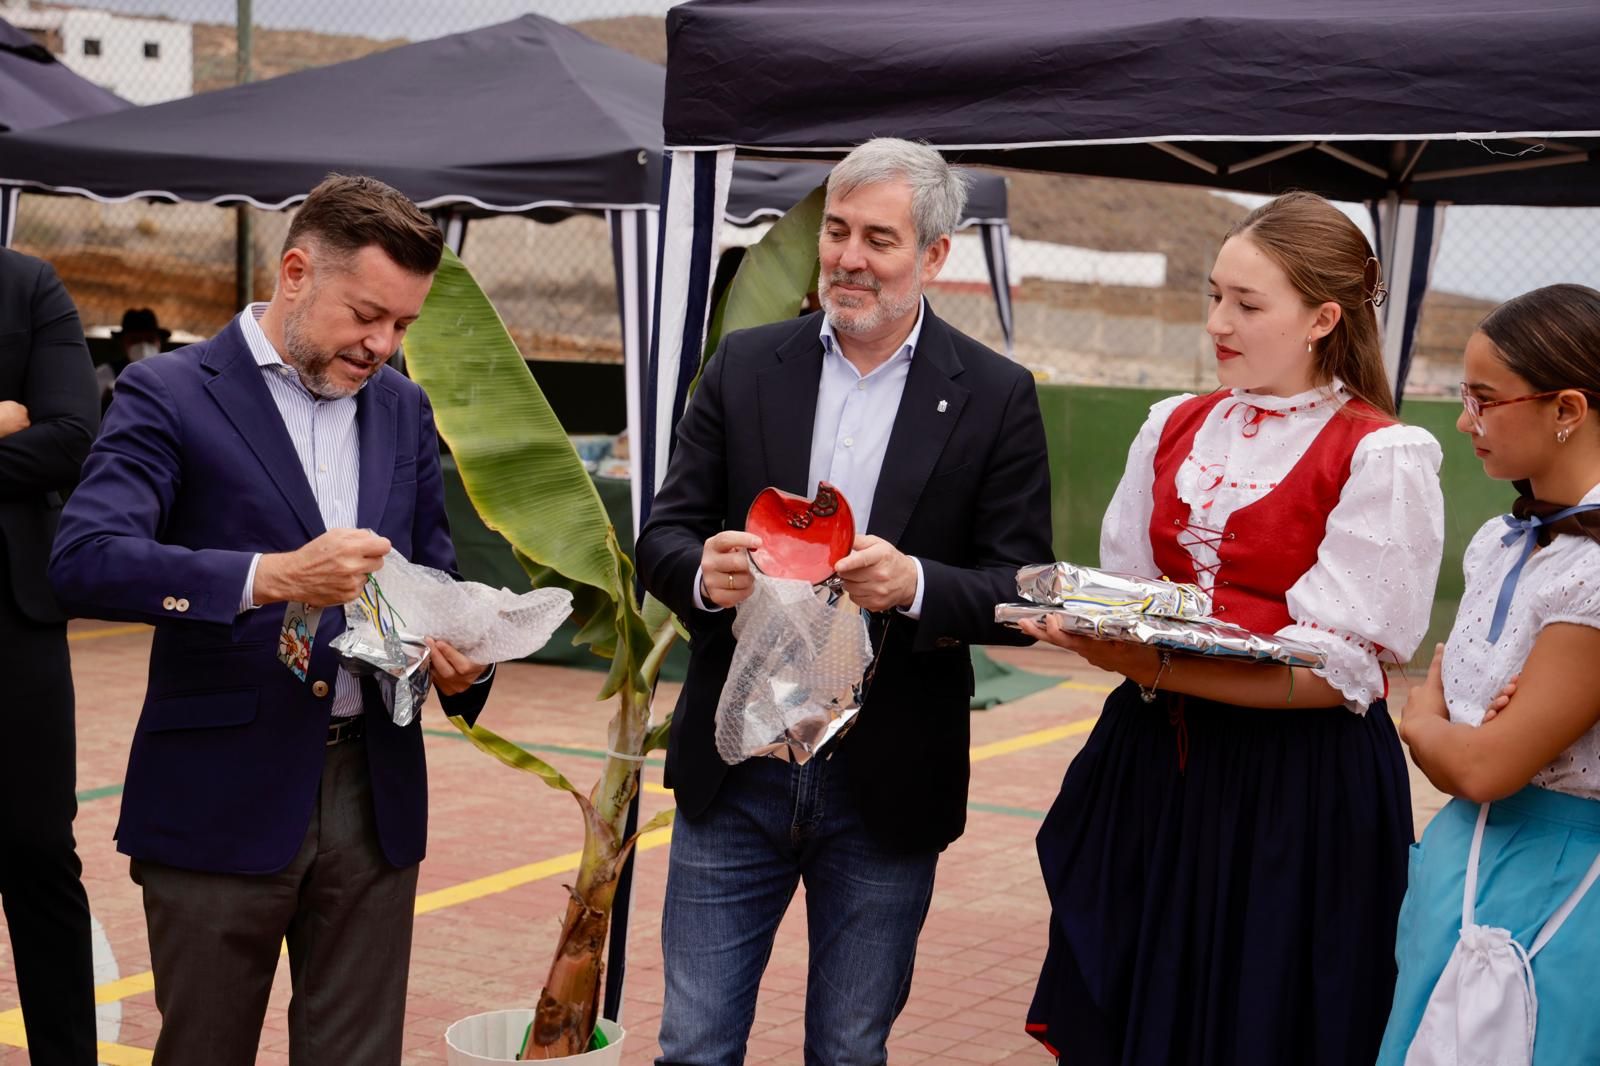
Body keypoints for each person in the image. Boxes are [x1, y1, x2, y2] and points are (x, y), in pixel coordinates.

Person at [49, 174, 495, 1066]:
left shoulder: (403, 407)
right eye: (368, 314)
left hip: (376, 795)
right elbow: (84, 557)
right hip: (219, 795)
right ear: (296, 271)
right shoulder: (170, 392)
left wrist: (468, 658)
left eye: (402, 325)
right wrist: (267, 577)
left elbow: (430, 570)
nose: (383, 345)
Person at [635, 137, 1053, 1065]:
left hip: (888, 782)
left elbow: (1024, 589)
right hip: (736, 764)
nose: (849, 258)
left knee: (851, 1050)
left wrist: (917, 586)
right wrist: (706, 573)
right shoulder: (746, 365)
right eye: (836, 231)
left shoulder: (994, 396)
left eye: (879, 238)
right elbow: (660, 537)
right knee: (693, 1045)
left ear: (934, 256)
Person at [1021, 191, 1445, 1065]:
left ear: (1324, 317)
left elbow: (1339, 675)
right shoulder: (1171, 424)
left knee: (1263, 1018)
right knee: (1143, 1008)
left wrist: (1146, 665)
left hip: (1293, 789)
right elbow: (1135, 592)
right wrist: (1098, 627)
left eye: (1248, 305)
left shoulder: (1379, 453)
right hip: (1156, 767)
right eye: (1215, 294)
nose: (1219, 321)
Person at [1379, 284, 1600, 1064]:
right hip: (1463, 861)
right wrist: (1469, 733)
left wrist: (1424, 726)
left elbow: (1484, 763)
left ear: (1567, 408)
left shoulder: (1595, 569)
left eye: (1484, 399)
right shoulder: (1502, 541)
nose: (1466, 420)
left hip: (1564, 875)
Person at [0, 247, 99, 1064]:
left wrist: (31, 424)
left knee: (39, 853)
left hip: (15, 621)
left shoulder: (25, 284)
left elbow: (69, 436)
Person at [96, 307, 170, 411]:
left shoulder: (171, 372)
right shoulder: (107, 372)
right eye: (135, 340)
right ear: (123, 342)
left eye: (150, 340)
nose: (143, 346)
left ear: (159, 342)